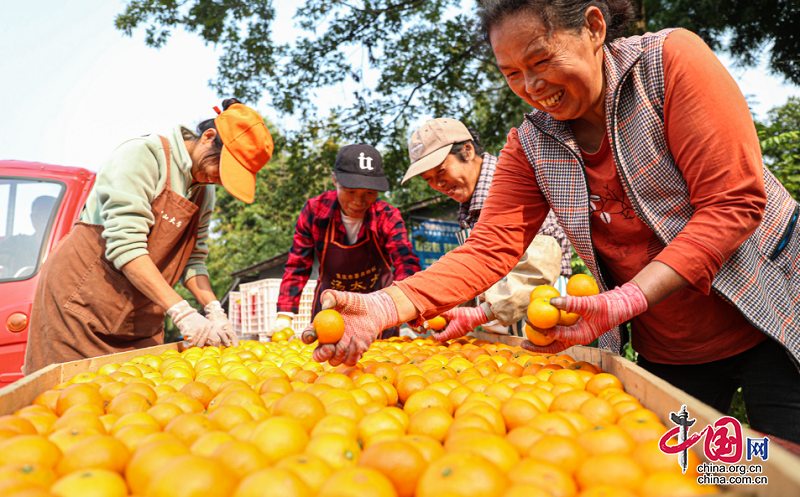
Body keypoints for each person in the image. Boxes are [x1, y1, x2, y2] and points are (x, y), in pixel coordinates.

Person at [304, 0, 800, 444]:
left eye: (541, 60)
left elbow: (732, 202)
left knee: (785, 466)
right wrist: (383, 307)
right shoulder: (532, 146)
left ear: (593, 26)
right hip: (671, 345)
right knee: (703, 470)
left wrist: (626, 298)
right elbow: (488, 248)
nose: (532, 86)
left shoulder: (668, 65)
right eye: (513, 73)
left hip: (771, 308)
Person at [25, 99, 274, 374]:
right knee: (75, 399)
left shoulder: (205, 190)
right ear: (208, 137)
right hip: (81, 303)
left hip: (139, 312)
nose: (220, 179)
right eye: (222, 168)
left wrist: (214, 309)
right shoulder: (143, 155)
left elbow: (192, 261)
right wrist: (183, 312)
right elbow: (126, 245)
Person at [401, 117, 569, 337]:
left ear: (468, 151)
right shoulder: (469, 206)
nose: (438, 185)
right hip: (504, 327)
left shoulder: (512, 184)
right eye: (428, 179)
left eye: (441, 171)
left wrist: (481, 314)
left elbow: (537, 267)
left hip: (542, 318)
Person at [273, 144, 421, 339]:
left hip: (379, 313)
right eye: (350, 191)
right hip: (329, 314)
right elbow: (298, 264)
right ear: (335, 180)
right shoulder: (315, 212)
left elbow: (405, 262)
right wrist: (284, 315)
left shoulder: (386, 216)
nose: (359, 201)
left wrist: (409, 307)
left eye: (369, 193)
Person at [0, 195, 57, 279]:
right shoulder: (17, 243)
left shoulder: (67, 246)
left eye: (48, 213)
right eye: (39, 213)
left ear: (57, 216)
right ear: (32, 217)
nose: (42, 218)